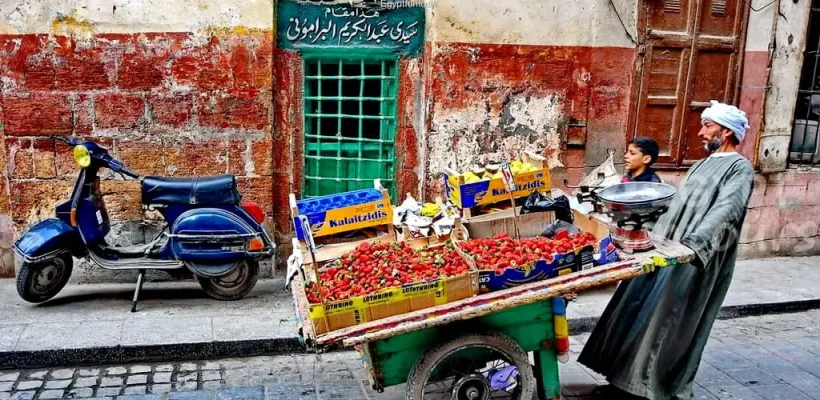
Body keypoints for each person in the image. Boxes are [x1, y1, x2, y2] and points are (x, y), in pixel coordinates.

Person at [577, 100, 755, 400]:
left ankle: (646, 388)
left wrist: (696, 244)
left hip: (696, 256)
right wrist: (636, 223)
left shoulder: (740, 168)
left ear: (726, 132)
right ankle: (622, 381)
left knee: (667, 320)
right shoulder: (702, 164)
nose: (700, 132)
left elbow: (728, 209)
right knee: (635, 306)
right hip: (668, 247)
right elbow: (675, 205)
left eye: (707, 126)